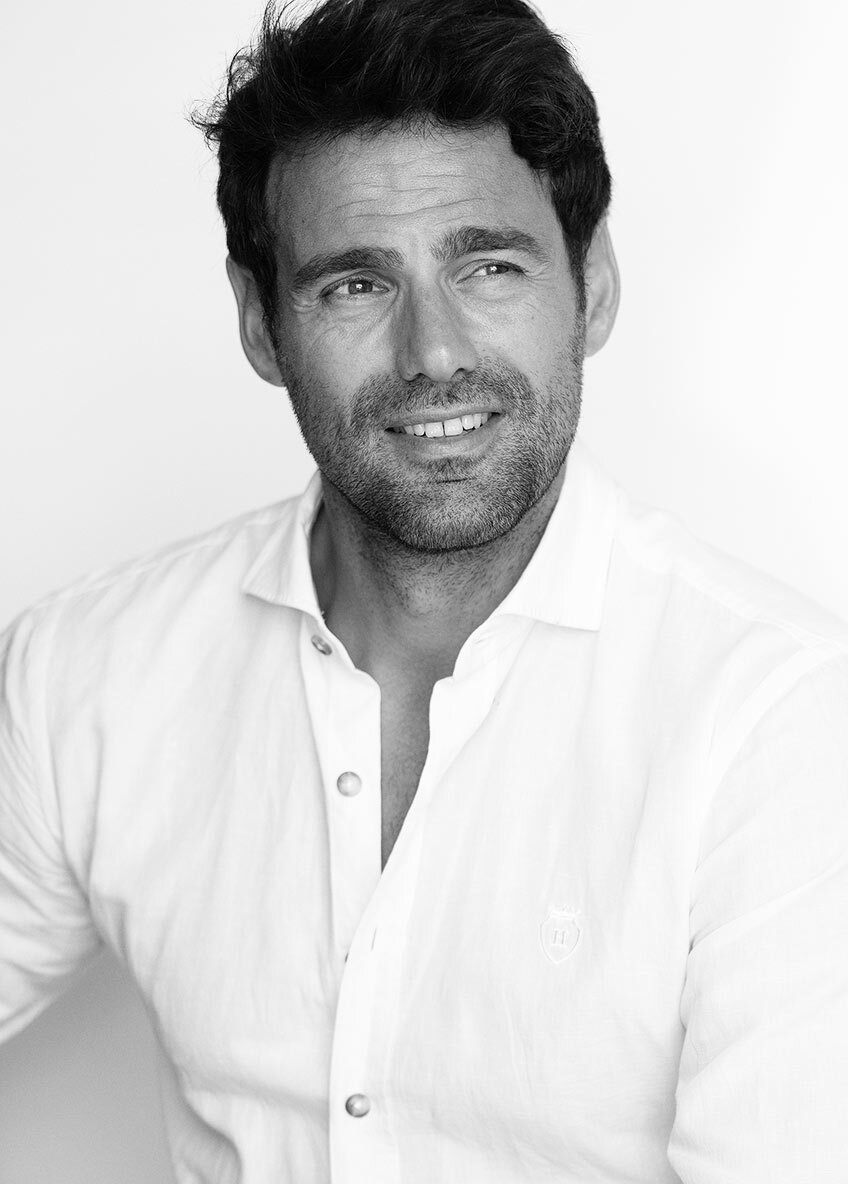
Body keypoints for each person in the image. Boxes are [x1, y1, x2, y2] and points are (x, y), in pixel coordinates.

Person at [1, 0, 847, 1179]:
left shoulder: (774, 719)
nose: (433, 352)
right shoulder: (87, 672)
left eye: (487, 265)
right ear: (260, 323)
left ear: (593, 285)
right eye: (354, 285)